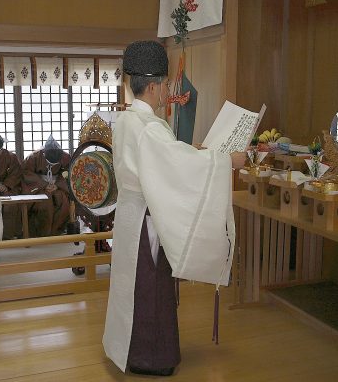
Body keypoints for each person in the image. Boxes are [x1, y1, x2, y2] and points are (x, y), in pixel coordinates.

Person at [102, 41, 247, 376]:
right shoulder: (149, 128)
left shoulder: (126, 120)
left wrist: (196, 150)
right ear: (152, 85)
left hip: (129, 218)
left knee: (131, 287)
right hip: (145, 224)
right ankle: (148, 357)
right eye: (166, 84)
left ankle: (125, 348)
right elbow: (173, 164)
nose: (168, 90)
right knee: (150, 287)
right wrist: (227, 160)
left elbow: (167, 157)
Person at [21, 135, 71, 237]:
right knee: (44, 202)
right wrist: (43, 185)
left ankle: (56, 231)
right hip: (39, 187)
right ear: (44, 153)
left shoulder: (65, 157)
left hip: (57, 185)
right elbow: (26, 173)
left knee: (63, 200)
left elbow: (69, 173)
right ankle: (41, 233)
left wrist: (57, 185)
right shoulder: (33, 157)